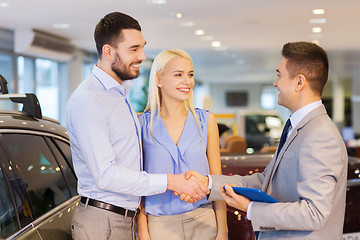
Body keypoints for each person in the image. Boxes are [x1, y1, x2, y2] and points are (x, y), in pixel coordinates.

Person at [66, 12, 209, 240]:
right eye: (133, 49)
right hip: (103, 222)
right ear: (108, 51)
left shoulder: (119, 96)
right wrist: (171, 181)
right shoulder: (90, 99)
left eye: (142, 47)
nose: (142, 56)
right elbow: (105, 175)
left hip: (122, 219)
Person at [185, 41, 348, 239]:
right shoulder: (299, 128)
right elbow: (265, 181)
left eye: (279, 74)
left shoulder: (320, 135)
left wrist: (251, 208)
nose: (275, 82)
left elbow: (314, 213)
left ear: (299, 82)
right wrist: (209, 183)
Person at [136, 49, 228, 240]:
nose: (187, 81)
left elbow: (217, 180)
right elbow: (138, 184)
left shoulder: (207, 121)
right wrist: (143, 230)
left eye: (190, 74)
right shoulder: (141, 125)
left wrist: (223, 230)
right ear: (159, 80)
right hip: (160, 226)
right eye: (178, 75)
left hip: (204, 220)